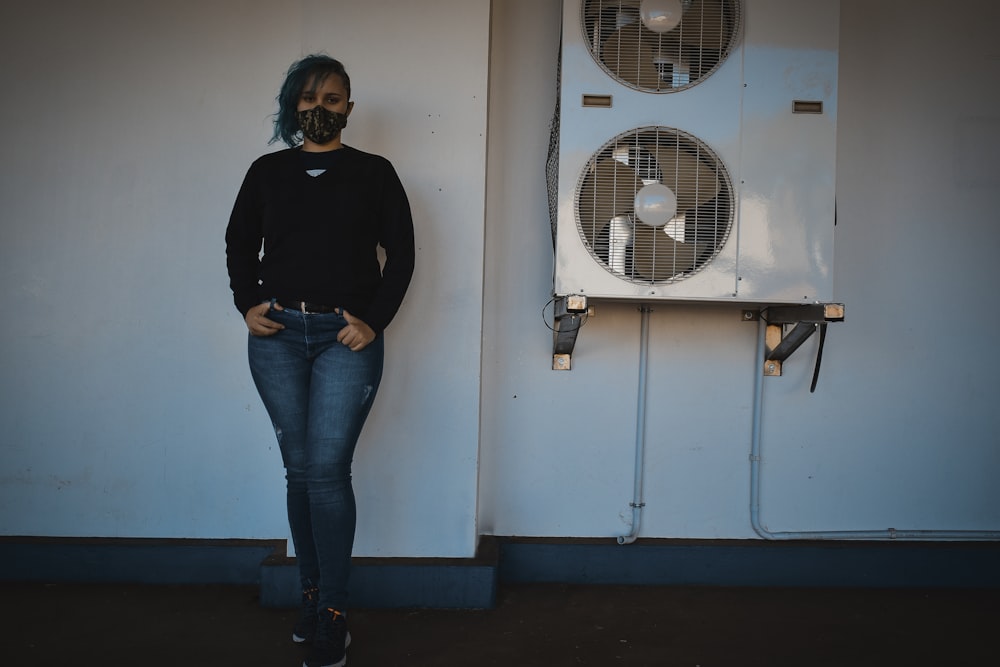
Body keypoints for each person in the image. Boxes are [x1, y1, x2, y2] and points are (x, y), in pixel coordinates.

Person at [225, 54, 415, 667]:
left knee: (328, 472)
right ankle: (311, 599)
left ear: (349, 109)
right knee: (300, 471)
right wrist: (246, 304)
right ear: (293, 105)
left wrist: (373, 320)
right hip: (277, 334)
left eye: (332, 100)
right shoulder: (266, 173)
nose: (319, 110)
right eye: (308, 99)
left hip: (344, 338)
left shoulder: (374, 173)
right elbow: (237, 243)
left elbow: (403, 254)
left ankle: (334, 612)